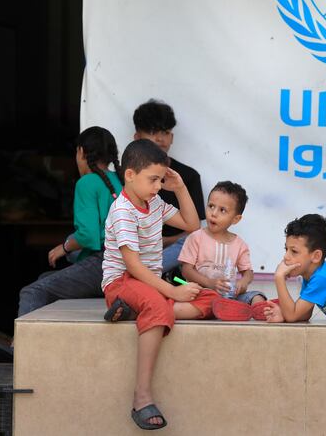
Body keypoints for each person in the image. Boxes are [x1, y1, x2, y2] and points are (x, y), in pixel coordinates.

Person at [0, 126, 122, 363]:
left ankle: (21, 351)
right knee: (44, 283)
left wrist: (63, 248)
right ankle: (43, 350)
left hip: (102, 265)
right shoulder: (121, 180)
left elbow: (88, 236)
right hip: (123, 265)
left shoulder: (87, 183)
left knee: (32, 291)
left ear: (81, 153)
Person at [101, 139, 219, 430]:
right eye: (153, 179)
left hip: (148, 284)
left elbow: (192, 225)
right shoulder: (122, 210)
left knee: (208, 298)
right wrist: (171, 291)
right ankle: (141, 397)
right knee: (157, 304)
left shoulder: (153, 202)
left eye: (160, 180)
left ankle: (137, 310)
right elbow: (133, 266)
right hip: (121, 283)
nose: (157, 186)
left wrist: (179, 188)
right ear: (130, 175)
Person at [132, 99, 206, 273]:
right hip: (135, 250)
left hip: (173, 253)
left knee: (195, 240)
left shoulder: (188, 176)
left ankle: (145, 274)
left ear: (171, 137)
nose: (159, 138)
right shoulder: (126, 175)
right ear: (137, 136)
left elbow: (194, 231)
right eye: (152, 131)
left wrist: (165, 241)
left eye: (165, 132)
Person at [178, 181, 267, 321]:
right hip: (202, 293)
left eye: (222, 210)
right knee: (205, 301)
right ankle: (227, 310)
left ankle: (258, 311)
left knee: (257, 296)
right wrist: (209, 283)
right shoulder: (196, 237)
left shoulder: (239, 244)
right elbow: (186, 270)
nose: (213, 214)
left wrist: (243, 283)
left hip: (229, 296)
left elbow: (248, 273)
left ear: (236, 219)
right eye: (211, 206)